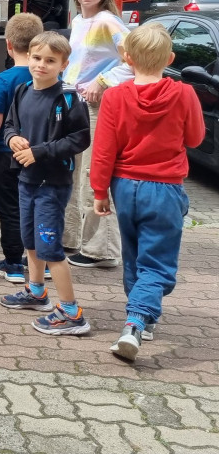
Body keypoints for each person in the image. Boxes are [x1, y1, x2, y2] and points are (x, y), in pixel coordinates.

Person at [90, 24, 204, 361]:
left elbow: (104, 150)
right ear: (170, 58)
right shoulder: (184, 94)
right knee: (157, 264)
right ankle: (137, 321)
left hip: (124, 187)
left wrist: (99, 191)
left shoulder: (114, 96)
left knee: (135, 254)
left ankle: (142, 317)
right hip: (165, 188)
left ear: (126, 57)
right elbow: (196, 139)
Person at [0, 32, 91, 336]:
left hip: (52, 183)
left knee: (50, 247)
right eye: (36, 58)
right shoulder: (24, 90)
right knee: (30, 240)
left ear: (63, 64)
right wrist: (12, 138)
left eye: (50, 60)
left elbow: (79, 138)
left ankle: (71, 312)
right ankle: (36, 292)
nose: (41, 65)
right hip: (27, 180)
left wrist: (38, 152)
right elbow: (9, 124)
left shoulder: (68, 97)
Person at [63, 0, 132, 270]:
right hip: (75, 104)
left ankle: (103, 250)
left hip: (98, 107)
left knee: (95, 174)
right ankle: (75, 239)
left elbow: (137, 60)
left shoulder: (107, 22)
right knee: (75, 174)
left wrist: (102, 81)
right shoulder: (79, 21)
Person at [0, 13, 44, 283]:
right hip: (40, 155)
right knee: (39, 207)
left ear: (9, 44)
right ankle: (43, 262)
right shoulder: (48, 77)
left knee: (9, 208)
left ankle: (14, 263)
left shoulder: (3, 81)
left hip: (7, 155)